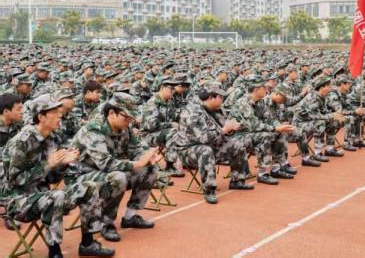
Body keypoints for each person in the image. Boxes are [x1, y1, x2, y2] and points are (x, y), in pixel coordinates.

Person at [0, 94, 113, 257]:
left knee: (90, 187)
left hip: (43, 195)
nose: (60, 115)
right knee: (56, 196)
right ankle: (54, 252)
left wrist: (62, 164)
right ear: (41, 117)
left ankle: (88, 243)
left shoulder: (52, 137)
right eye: (54, 112)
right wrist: (48, 164)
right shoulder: (22, 141)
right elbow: (15, 181)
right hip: (18, 201)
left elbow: (52, 179)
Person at [69, 93, 161, 243]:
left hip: (108, 171)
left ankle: (130, 216)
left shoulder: (125, 127)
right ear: (111, 113)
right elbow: (106, 164)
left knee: (150, 169)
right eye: (126, 117)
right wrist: (138, 163)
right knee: (118, 177)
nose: (129, 121)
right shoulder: (93, 130)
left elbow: (136, 149)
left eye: (131, 118)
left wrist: (147, 157)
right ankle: (106, 223)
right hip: (82, 176)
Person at [166, 82, 250, 204]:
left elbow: (223, 130)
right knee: (205, 150)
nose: (222, 100)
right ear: (211, 97)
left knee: (237, 144)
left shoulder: (215, 110)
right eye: (220, 97)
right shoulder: (193, 112)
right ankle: (209, 190)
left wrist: (233, 128)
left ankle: (237, 180)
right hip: (188, 150)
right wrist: (224, 130)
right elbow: (202, 138)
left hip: (210, 144)